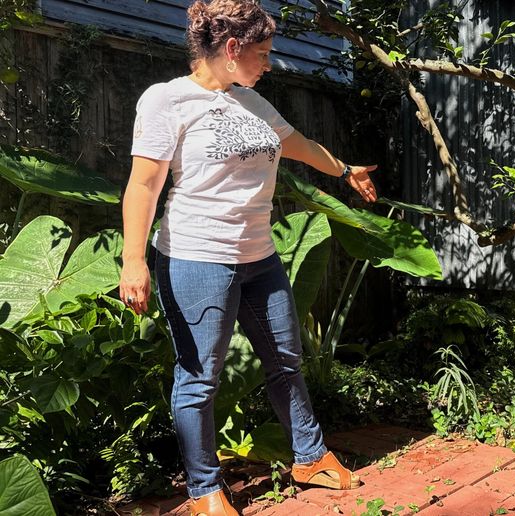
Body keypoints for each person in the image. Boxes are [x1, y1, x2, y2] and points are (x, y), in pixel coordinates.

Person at [118, 1, 375, 514]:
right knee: (199, 377)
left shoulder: (252, 102)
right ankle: (204, 490)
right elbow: (143, 185)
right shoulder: (167, 100)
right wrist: (133, 259)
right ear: (231, 49)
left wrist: (345, 169)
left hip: (260, 257)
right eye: (262, 53)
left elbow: (297, 144)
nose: (269, 63)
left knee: (285, 361)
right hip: (196, 259)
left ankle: (310, 457)